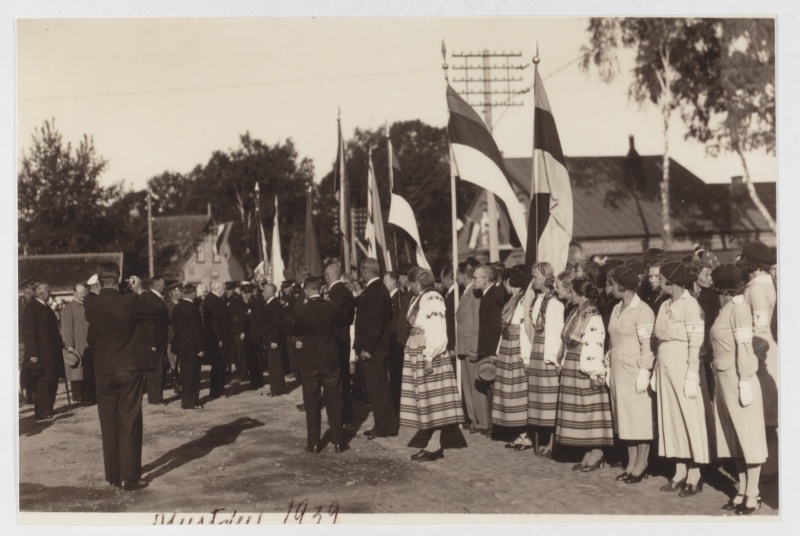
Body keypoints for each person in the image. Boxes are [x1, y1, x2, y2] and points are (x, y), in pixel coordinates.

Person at [83, 263, 161, 491]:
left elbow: (93, 335)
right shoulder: (130, 301)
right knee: (130, 421)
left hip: (103, 370)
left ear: (99, 280)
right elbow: (159, 309)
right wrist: (140, 289)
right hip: (128, 368)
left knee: (108, 423)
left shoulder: (91, 305)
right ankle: (131, 478)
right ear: (118, 278)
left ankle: (113, 476)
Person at [709, 264, 768, 515]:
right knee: (734, 439)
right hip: (724, 381)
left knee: (748, 438)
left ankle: (753, 493)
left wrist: (745, 380)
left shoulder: (740, 309)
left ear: (720, 286)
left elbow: (744, 347)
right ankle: (742, 490)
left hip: (738, 380)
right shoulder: (727, 309)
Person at [652, 261, 710, 497]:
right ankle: (679, 471)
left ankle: (695, 473)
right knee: (671, 418)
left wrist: (691, 374)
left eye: (661, 277)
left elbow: (696, 343)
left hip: (683, 366)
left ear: (671, 280)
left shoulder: (690, 305)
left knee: (689, 418)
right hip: (665, 367)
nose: (657, 281)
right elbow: (658, 339)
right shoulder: (665, 304)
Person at [399, 267, 466, 461]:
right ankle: (431, 442)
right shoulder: (420, 298)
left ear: (417, 283)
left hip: (428, 352)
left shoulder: (433, 299)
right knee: (424, 400)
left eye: (411, 285)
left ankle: (435, 444)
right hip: (417, 350)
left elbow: (437, 329)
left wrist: (430, 356)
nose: (410, 288)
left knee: (434, 401)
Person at [555, 276, 613, 471]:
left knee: (589, 408)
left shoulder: (591, 313)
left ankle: (597, 451)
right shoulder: (577, 311)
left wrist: (595, 373)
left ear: (579, 293)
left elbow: (595, 342)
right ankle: (588, 450)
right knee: (581, 409)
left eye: (570, 291)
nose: (568, 295)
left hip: (585, 365)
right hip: (573, 364)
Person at [605, 266, 656, 483]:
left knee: (639, 418)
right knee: (624, 418)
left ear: (622, 285)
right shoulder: (617, 308)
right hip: (618, 369)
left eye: (611, 283)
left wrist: (644, 371)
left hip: (635, 369)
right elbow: (612, 340)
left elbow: (647, 345)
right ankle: (630, 462)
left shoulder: (642, 310)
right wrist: (607, 365)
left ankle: (641, 463)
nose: (608, 288)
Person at [292, 276, 348, 453]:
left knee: (312, 402)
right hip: (331, 359)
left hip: (310, 362)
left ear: (307, 291)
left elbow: (296, 331)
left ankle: (314, 443)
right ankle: (339, 441)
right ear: (321, 289)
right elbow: (345, 321)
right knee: (335, 400)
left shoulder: (302, 310)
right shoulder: (332, 307)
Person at [738, 241, 778, 464]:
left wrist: (750, 361)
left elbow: (760, 330)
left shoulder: (758, 289)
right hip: (763, 356)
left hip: (761, 358)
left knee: (766, 417)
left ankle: (769, 466)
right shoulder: (761, 285)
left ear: (751, 264)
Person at [520, 263, 565, 455]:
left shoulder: (554, 303)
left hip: (548, 352)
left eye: (536, 276)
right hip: (537, 350)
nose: (533, 280)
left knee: (550, 400)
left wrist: (554, 359)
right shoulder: (537, 300)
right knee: (537, 400)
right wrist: (527, 357)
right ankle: (541, 438)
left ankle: (552, 442)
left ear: (546, 278)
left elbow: (555, 333)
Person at [353, 258, 396, 439]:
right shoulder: (378, 289)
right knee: (379, 389)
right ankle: (384, 425)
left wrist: (367, 348)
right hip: (377, 347)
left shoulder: (375, 291)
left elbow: (375, 324)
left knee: (377, 390)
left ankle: (383, 427)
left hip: (374, 349)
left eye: (361, 271)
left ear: (365, 271)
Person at [490, 265, 530, 441]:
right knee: (508, 391)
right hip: (507, 348)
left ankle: (525, 432)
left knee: (518, 391)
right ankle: (518, 431)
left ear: (508, 281)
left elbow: (523, 329)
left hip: (517, 348)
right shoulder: (512, 300)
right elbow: (504, 328)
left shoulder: (522, 301)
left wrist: (525, 356)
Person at [23, 282, 65, 420]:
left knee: (51, 380)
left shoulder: (45, 307)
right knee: (42, 383)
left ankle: (48, 409)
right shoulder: (32, 308)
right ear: (41, 293)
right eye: (49, 292)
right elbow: (29, 333)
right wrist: (32, 353)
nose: (50, 294)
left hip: (51, 352)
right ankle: (42, 411)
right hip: (41, 353)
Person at [472, 265, 505, 437]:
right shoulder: (485, 295)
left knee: (493, 388)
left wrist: (493, 352)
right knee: (488, 389)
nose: (473, 281)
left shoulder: (494, 294)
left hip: (492, 349)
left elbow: (494, 326)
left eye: (476, 278)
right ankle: (493, 426)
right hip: (486, 348)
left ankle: (496, 427)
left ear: (485, 279)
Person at [326, 263, 356, 421]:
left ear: (328, 276)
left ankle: (343, 415)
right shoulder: (346, 291)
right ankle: (347, 414)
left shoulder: (334, 293)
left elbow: (334, 317)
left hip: (337, 339)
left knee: (338, 379)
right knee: (343, 377)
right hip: (344, 337)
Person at [455, 261, 483, 433]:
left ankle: (479, 420)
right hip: (463, 345)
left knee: (474, 385)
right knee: (467, 385)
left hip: (470, 344)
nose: (456, 278)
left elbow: (476, 322)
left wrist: (474, 347)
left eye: (458, 274)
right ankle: (473, 420)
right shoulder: (466, 292)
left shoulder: (474, 293)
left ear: (464, 275)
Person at [172, 284, 205, 409]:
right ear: (193, 294)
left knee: (185, 374)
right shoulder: (192, 309)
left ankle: (185, 401)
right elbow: (196, 330)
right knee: (193, 375)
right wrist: (200, 348)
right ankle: (192, 401)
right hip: (192, 347)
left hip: (181, 346)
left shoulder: (177, 308)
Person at [139, 277, 169, 405]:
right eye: (163, 285)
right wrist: (152, 343)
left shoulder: (153, 297)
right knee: (155, 370)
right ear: (157, 286)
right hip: (155, 342)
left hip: (158, 340)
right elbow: (149, 322)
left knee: (158, 369)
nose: (165, 287)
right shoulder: (151, 298)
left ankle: (156, 396)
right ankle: (155, 398)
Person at [60, 283, 90, 403]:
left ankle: (87, 395)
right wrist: (69, 345)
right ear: (74, 293)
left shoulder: (87, 306)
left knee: (87, 371)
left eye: (84, 292)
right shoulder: (69, 308)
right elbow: (66, 328)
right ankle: (77, 395)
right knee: (77, 371)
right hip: (76, 345)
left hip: (87, 344)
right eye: (80, 292)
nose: (83, 295)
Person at [384, 270, 407, 416]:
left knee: (397, 374)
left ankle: (397, 406)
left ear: (393, 282)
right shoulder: (389, 298)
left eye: (385, 281)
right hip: (390, 341)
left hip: (397, 341)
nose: (384, 284)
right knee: (393, 374)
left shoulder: (400, 298)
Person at [258, 282, 287, 396]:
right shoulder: (270, 304)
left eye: (264, 291)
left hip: (274, 341)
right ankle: (276, 387)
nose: (263, 293)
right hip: (270, 340)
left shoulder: (275, 305)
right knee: (272, 364)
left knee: (275, 365)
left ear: (270, 292)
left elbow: (277, 325)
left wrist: (275, 340)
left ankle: (278, 389)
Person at [202, 280, 229, 400]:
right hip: (216, 338)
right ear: (218, 288)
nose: (225, 291)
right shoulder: (212, 300)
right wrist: (219, 338)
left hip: (218, 337)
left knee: (220, 364)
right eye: (223, 288)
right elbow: (214, 322)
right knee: (218, 364)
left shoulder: (214, 299)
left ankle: (218, 389)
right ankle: (216, 390)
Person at [226, 281, 250, 383]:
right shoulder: (228, 300)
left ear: (233, 290)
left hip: (238, 330)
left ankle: (242, 374)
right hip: (232, 331)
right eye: (227, 290)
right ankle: (237, 373)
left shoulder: (237, 300)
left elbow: (241, 317)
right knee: (235, 353)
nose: (227, 292)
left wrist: (242, 331)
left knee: (241, 353)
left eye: (229, 290)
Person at [242, 282, 265, 389]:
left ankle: (258, 380)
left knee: (257, 358)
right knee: (251, 359)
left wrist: (258, 335)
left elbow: (259, 321)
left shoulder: (255, 303)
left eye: (248, 293)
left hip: (254, 335)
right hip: (248, 336)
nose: (246, 295)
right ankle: (254, 380)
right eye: (245, 293)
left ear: (252, 293)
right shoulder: (246, 304)